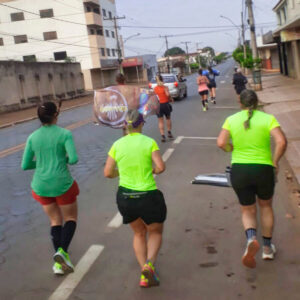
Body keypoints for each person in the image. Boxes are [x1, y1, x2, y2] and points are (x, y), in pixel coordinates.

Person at [217, 89, 287, 269]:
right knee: (265, 206)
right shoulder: (267, 118)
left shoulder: (231, 120)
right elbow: (281, 141)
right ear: (256, 103)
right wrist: (275, 161)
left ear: (240, 103)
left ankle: (251, 238)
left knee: (247, 210)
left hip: (240, 170)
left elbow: (221, 143)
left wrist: (230, 148)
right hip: (263, 170)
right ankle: (267, 248)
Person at [104, 109, 167, 288]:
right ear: (141, 124)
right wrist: (152, 170)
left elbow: (108, 172)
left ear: (126, 125)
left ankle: (144, 274)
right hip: (148, 196)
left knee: (139, 233)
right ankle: (149, 264)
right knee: (155, 231)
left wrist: (120, 172)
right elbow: (161, 167)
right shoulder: (149, 142)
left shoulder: (117, 145)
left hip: (126, 197)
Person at [22, 102, 79, 275]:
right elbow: (74, 159)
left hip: (41, 185)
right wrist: (63, 160)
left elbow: (25, 165)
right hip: (62, 183)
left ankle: (59, 264)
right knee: (70, 218)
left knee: (55, 221)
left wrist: (41, 162)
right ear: (56, 115)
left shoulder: (32, 137)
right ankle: (62, 252)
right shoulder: (65, 134)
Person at [153, 75, 174, 142]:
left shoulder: (155, 89)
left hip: (158, 106)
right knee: (168, 118)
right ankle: (169, 132)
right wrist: (171, 98)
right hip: (165, 104)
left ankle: (163, 136)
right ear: (162, 79)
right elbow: (167, 95)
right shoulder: (165, 87)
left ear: (156, 80)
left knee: (160, 121)